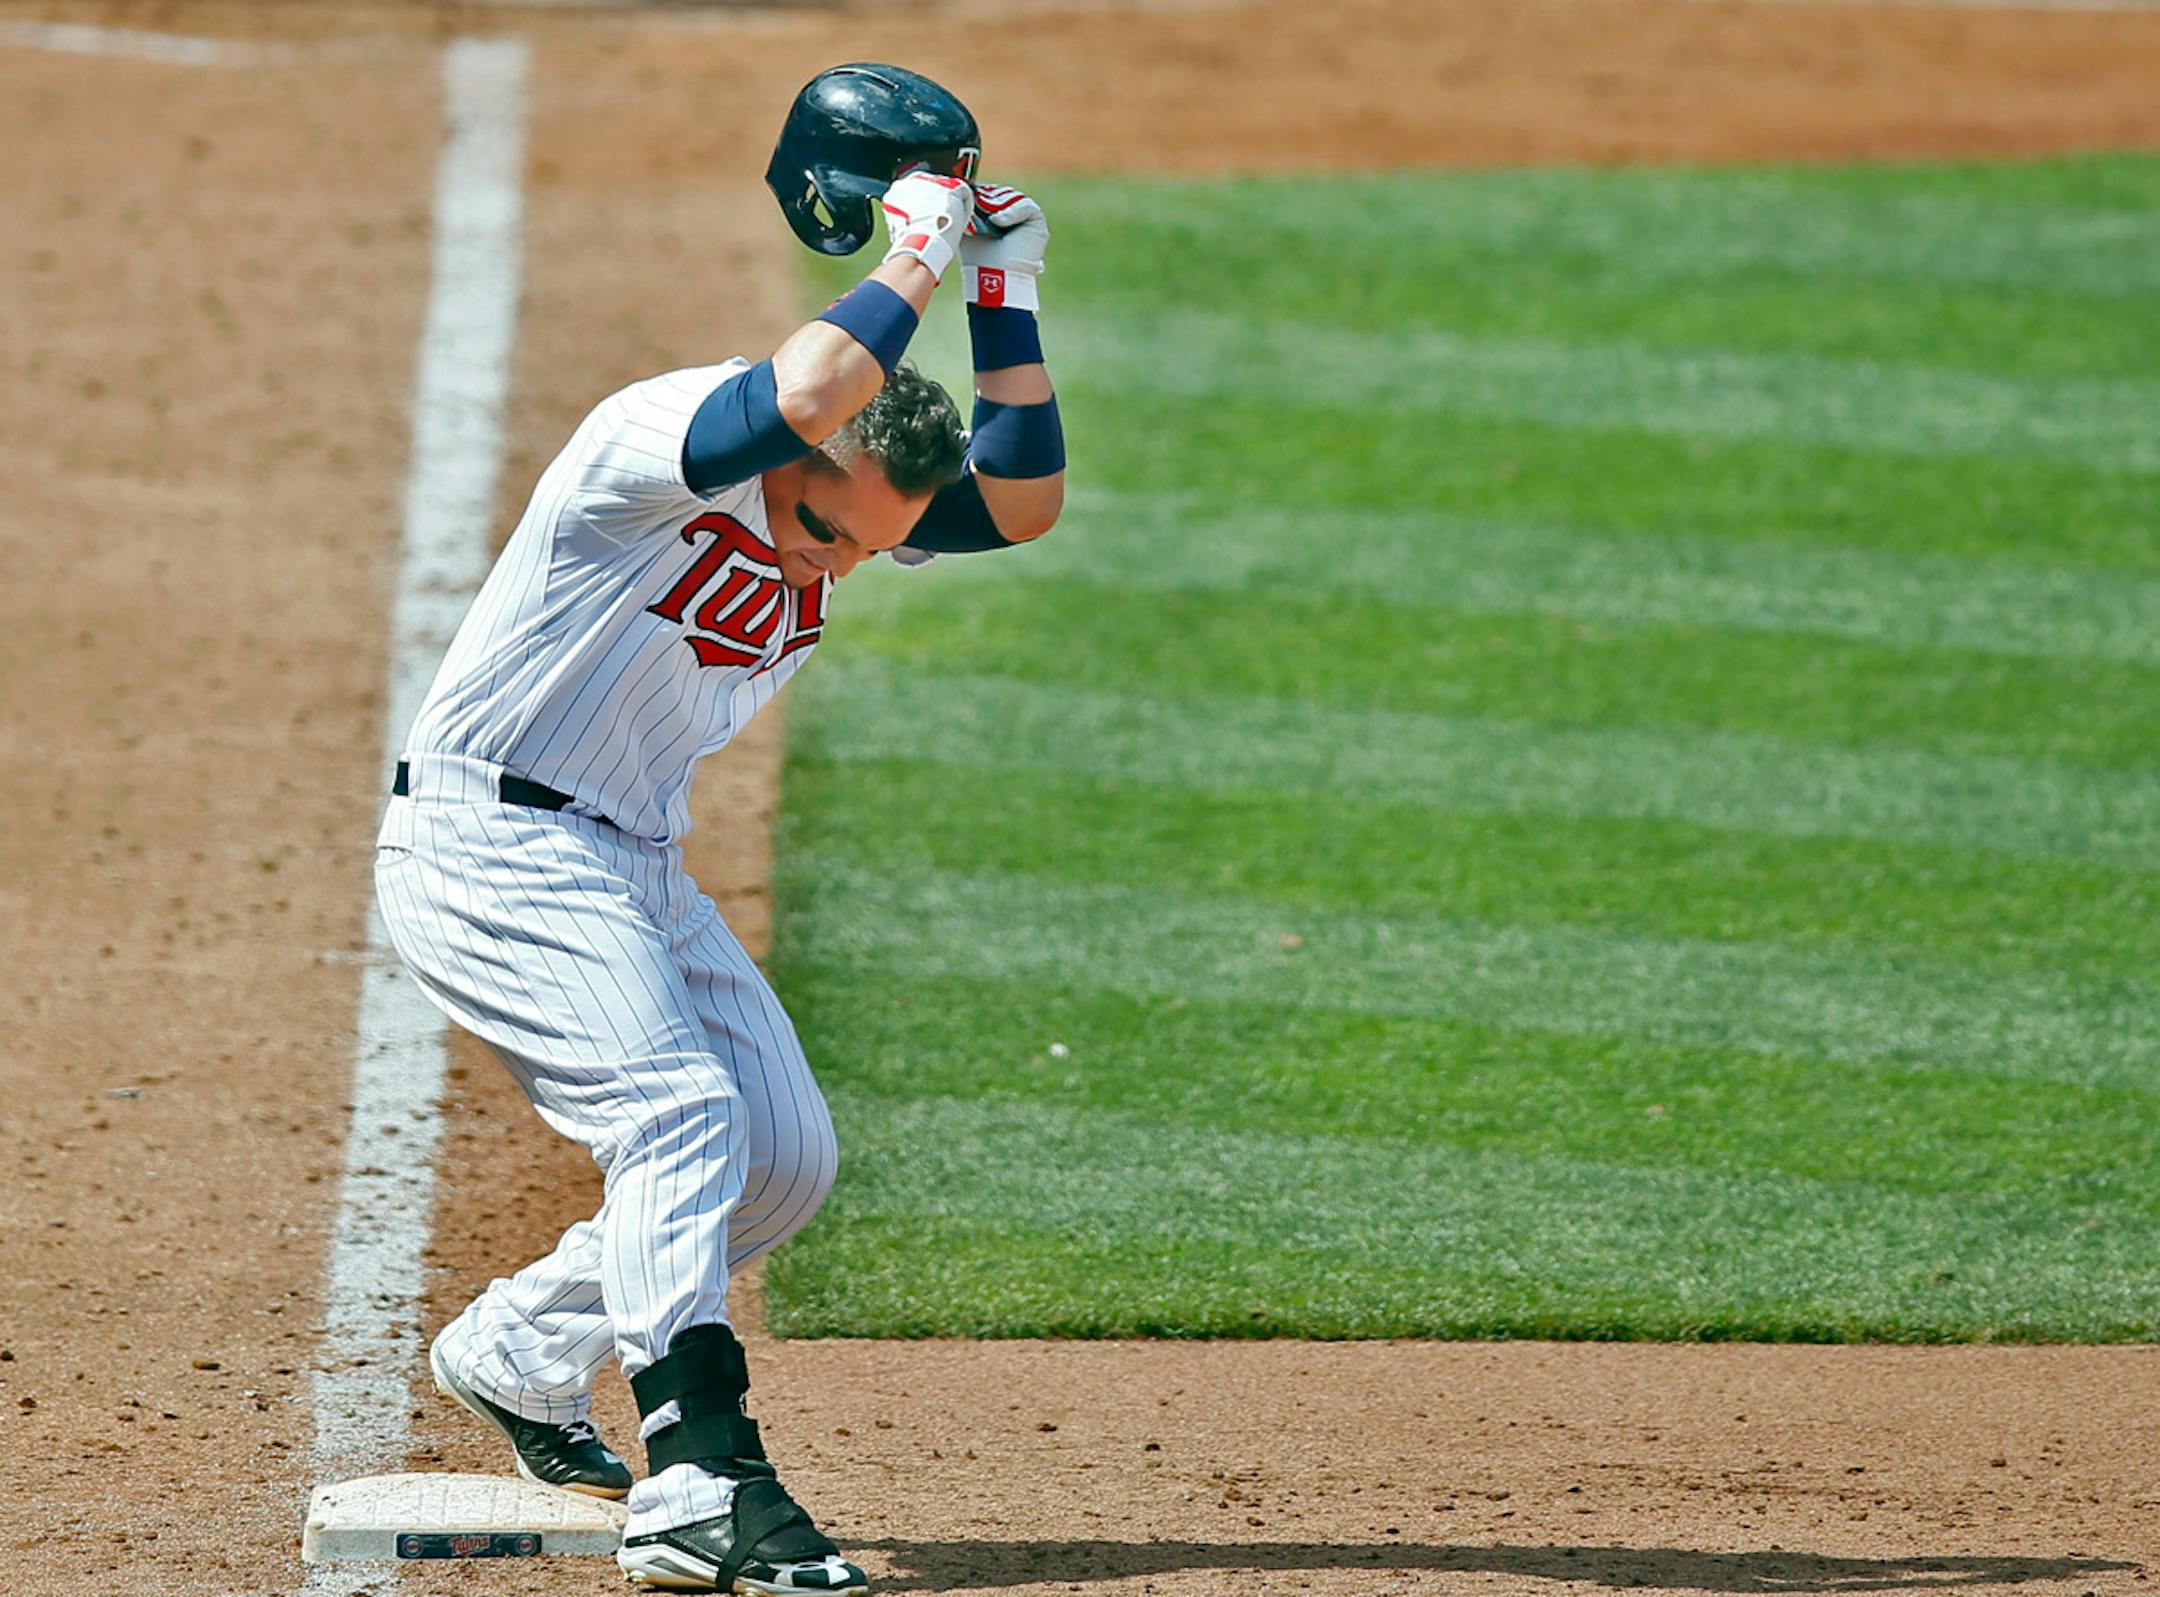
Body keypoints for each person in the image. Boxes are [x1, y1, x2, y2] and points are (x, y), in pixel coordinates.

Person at [374, 92, 1065, 1594]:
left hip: (631, 863)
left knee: (781, 1162)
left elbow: (1020, 506)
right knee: (680, 1112)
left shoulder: (853, 474)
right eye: (827, 535)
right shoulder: (652, 448)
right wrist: (919, 254)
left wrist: (1001, 296)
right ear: (795, 460)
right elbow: (811, 382)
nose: (839, 566)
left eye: (867, 557)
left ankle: (514, 1350)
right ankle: (697, 1475)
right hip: (488, 838)